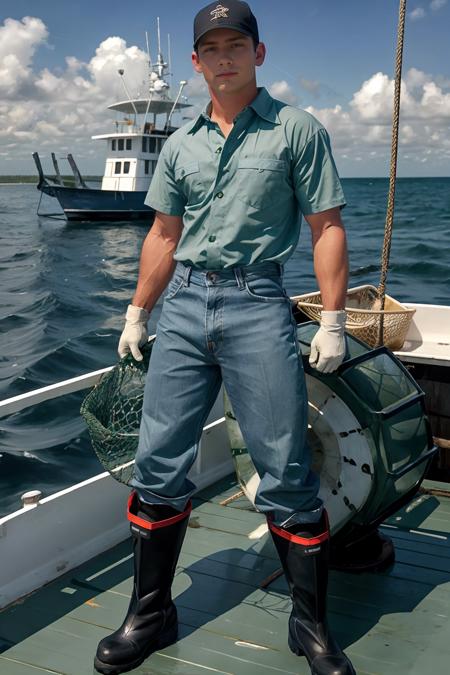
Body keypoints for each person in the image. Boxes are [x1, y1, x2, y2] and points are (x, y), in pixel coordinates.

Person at [94, 2, 355, 674]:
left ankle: (310, 624)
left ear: (258, 54)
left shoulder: (297, 130)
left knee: (287, 470)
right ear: (196, 62)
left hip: (258, 302)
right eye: (211, 48)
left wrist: (332, 319)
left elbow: (326, 226)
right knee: (158, 467)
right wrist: (136, 311)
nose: (224, 57)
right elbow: (162, 236)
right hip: (181, 305)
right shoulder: (179, 145)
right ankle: (149, 612)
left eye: (235, 44)